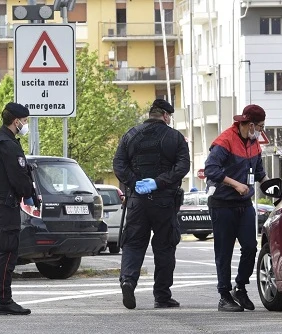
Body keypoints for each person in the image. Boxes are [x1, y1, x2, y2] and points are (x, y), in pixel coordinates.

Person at [112, 98, 190, 310]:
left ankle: (128, 281)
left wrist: (135, 183)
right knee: (165, 247)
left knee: (134, 244)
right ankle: (162, 296)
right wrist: (158, 182)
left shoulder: (130, 135)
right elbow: (183, 166)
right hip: (164, 201)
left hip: (137, 201)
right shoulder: (174, 137)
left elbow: (118, 164)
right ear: (165, 116)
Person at [203, 104, 271, 312]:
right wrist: (236, 184)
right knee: (224, 251)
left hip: (244, 204)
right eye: (260, 126)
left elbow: (259, 173)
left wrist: (275, 189)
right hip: (222, 204)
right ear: (250, 125)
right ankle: (224, 295)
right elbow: (210, 170)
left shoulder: (254, 143)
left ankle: (239, 287)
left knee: (250, 247)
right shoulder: (225, 141)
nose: (261, 131)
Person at [0, 102, 40, 315]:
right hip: (6, 205)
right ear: (16, 121)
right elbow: (18, 177)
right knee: (7, 252)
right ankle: (4, 301)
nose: (25, 124)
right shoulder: (9, 144)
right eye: (24, 121)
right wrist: (29, 193)